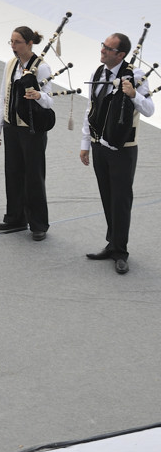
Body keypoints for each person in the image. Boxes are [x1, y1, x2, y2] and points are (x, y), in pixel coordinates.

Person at [80, 34, 154, 274]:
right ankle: (112, 243)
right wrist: (85, 143)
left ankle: (121, 251)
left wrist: (134, 94)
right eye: (103, 45)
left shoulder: (137, 76)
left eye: (107, 48)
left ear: (120, 55)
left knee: (121, 200)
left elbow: (150, 110)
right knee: (107, 195)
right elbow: (90, 108)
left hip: (123, 149)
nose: (102, 50)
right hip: (99, 144)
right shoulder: (98, 74)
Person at [0, 26, 54, 241]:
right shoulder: (10, 65)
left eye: (17, 42)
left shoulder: (42, 68)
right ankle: (15, 217)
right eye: (11, 42)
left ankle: (38, 223)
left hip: (31, 129)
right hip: (11, 126)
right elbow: (3, 95)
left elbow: (49, 100)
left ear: (29, 44)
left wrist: (38, 95)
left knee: (34, 175)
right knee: (13, 172)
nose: (13, 46)